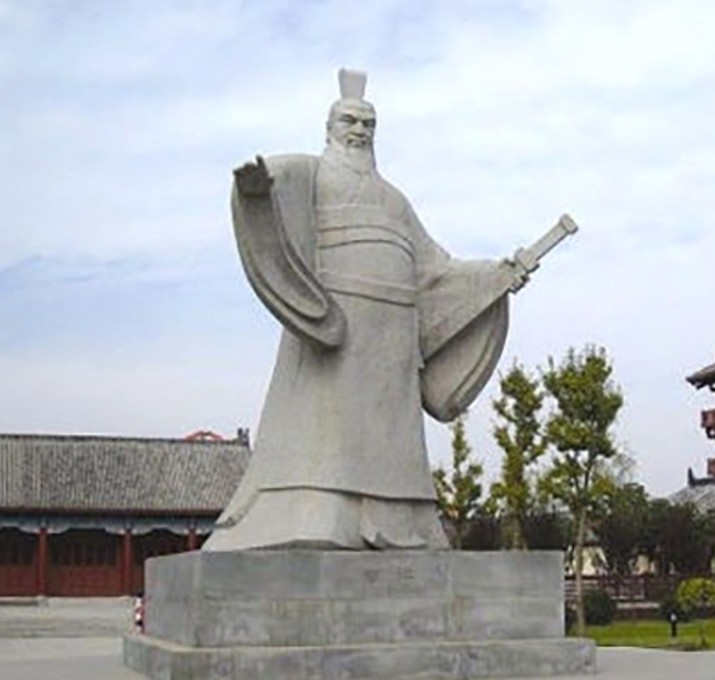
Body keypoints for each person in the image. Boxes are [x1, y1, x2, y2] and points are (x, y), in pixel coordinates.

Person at [203, 69, 553, 551]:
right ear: (329, 126)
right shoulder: (310, 174)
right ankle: (319, 517)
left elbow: (437, 269)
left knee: (392, 436)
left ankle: (405, 524)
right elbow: (271, 187)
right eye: (350, 120)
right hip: (335, 320)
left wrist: (495, 275)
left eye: (369, 123)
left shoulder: (394, 201)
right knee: (326, 429)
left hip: (393, 332)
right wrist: (256, 189)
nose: (360, 130)